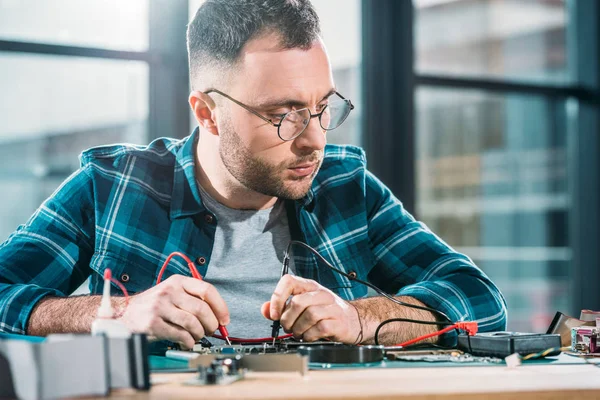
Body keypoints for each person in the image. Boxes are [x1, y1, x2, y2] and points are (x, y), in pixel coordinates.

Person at [0, 0, 506, 349]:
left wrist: (360, 320)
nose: (314, 139)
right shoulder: (111, 186)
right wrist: (113, 315)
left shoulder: (346, 188)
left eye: (323, 106)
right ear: (207, 113)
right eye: (282, 113)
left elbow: (480, 299)